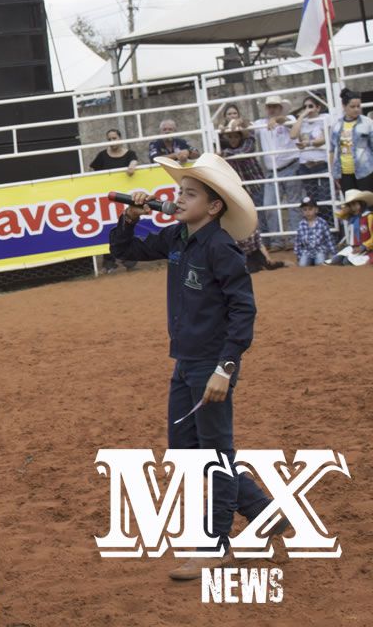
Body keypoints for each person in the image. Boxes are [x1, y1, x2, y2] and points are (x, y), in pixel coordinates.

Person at [109, 154, 288, 580]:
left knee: (216, 454)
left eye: (189, 194)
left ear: (213, 206)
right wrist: (130, 218)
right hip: (186, 361)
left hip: (211, 363)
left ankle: (215, 545)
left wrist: (225, 368)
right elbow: (124, 250)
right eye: (179, 192)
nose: (178, 198)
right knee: (186, 452)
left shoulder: (221, 247)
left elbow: (243, 310)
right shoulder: (177, 236)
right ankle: (263, 511)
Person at [252, 95, 301, 248]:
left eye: (275, 106)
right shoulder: (261, 123)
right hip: (272, 170)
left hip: (290, 166)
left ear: (280, 108)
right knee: (270, 206)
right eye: (270, 106)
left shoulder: (289, 119)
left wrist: (278, 120)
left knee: (294, 205)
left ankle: (293, 239)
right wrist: (238, 122)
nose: (272, 109)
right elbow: (248, 128)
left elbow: (288, 122)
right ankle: (276, 240)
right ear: (266, 109)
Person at [90, 128, 139, 273]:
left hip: (126, 197)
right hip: (108, 199)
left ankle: (129, 260)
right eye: (109, 139)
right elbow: (94, 174)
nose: (112, 141)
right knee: (109, 228)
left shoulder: (130, 154)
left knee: (126, 225)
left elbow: (134, 163)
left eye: (114, 138)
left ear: (120, 138)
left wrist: (132, 166)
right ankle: (109, 262)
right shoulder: (102, 155)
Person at [289, 93, 332, 226]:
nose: (308, 109)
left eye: (311, 106)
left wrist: (308, 143)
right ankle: (316, 226)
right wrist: (301, 116)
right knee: (312, 200)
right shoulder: (302, 122)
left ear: (318, 107)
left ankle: (329, 226)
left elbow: (325, 138)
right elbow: (293, 135)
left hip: (321, 163)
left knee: (325, 198)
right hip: (306, 166)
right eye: (305, 106)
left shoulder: (325, 118)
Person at [330, 89, 373, 195]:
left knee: (368, 201)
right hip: (344, 173)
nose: (356, 109)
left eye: (358, 106)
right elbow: (332, 150)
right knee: (350, 202)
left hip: (365, 171)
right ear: (344, 106)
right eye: (352, 107)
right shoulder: (336, 125)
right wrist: (334, 173)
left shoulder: (368, 123)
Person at [328, 189, 373, 266]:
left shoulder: (369, 216)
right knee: (336, 260)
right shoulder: (352, 218)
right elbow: (339, 215)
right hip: (355, 247)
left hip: (368, 248)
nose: (352, 206)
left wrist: (363, 246)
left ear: (361, 203)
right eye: (350, 205)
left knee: (346, 262)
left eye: (354, 204)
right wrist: (344, 210)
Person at [294, 196, 333, 267]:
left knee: (320, 263)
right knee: (302, 265)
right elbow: (298, 242)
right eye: (305, 210)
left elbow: (329, 239)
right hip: (306, 251)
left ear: (316, 210)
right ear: (302, 212)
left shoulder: (322, 223)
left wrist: (333, 254)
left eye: (310, 209)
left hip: (320, 250)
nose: (307, 212)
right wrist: (298, 255)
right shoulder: (301, 225)